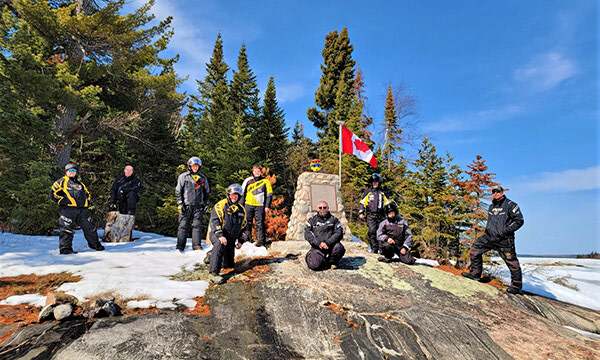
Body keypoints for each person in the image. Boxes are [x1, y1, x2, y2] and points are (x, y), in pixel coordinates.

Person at [462, 185, 525, 294]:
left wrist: (505, 231)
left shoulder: (511, 205)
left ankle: (516, 286)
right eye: (493, 192)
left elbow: (519, 221)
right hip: (490, 237)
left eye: (498, 192)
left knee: (512, 262)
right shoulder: (492, 206)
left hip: (504, 239)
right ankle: (475, 274)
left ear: (502, 193)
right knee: (475, 249)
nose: (495, 194)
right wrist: (487, 232)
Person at [49, 163, 105, 254]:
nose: (72, 172)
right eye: (70, 171)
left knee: (90, 228)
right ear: (66, 172)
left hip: (82, 210)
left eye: (74, 170)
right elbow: (52, 194)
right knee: (66, 229)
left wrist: (87, 201)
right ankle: (65, 249)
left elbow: (88, 194)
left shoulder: (80, 183)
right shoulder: (61, 182)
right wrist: (62, 201)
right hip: (68, 210)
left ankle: (95, 245)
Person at [208, 184, 248, 284]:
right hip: (217, 234)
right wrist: (220, 235)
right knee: (219, 244)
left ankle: (211, 256)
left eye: (236, 195)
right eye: (232, 195)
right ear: (228, 195)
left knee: (229, 265)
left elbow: (244, 227)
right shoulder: (221, 205)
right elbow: (215, 221)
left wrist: (241, 241)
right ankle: (213, 273)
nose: (234, 197)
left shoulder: (242, 210)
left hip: (230, 238)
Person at [175, 157, 210, 252]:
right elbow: (178, 191)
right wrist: (180, 203)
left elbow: (206, 191)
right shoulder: (184, 177)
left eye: (197, 166)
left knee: (197, 225)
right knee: (183, 225)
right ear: (189, 166)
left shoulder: (202, 178)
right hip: (186, 205)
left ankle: (196, 245)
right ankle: (180, 246)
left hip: (198, 205)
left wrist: (206, 203)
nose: (195, 167)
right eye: (194, 166)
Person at [304, 201, 345, 271]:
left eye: (324, 207)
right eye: (320, 207)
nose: (322, 209)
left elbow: (339, 233)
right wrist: (318, 243)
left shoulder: (334, 220)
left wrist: (327, 243)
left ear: (328, 208)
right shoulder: (312, 220)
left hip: (330, 246)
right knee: (315, 266)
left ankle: (331, 262)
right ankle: (311, 256)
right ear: (317, 209)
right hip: (317, 247)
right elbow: (307, 233)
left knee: (339, 248)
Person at [359, 173, 391, 254]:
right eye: (373, 182)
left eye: (376, 181)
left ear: (379, 182)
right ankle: (374, 248)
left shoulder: (383, 192)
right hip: (370, 215)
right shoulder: (367, 192)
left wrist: (390, 212)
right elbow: (362, 203)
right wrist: (361, 212)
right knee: (372, 231)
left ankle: (382, 249)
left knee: (381, 232)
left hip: (381, 215)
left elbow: (387, 204)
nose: (375, 183)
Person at [241, 164, 273, 247]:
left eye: (258, 171)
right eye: (255, 171)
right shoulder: (248, 181)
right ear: (252, 172)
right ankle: (246, 240)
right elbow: (243, 194)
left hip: (260, 205)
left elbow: (269, 195)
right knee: (247, 223)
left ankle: (261, 242)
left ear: (261, 172)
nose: (257, 173)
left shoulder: (266, 181)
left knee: (260, 223)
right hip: (248, 205)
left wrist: (267, 206)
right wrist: (241, 206)